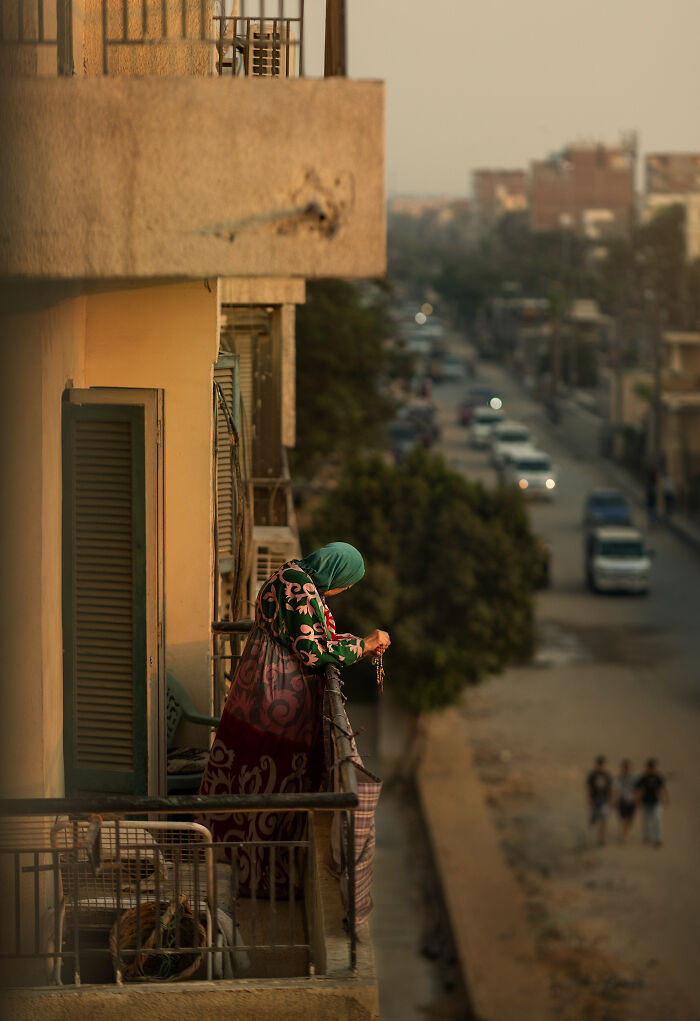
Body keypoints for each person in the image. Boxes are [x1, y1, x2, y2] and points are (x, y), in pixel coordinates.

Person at [197, 542, 390, 902]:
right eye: (345, 584)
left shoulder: (288, 574)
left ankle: (225, 858)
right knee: (274, 778)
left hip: (255, 688)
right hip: (279, 697)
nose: (342, 592)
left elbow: (309, 637)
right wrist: (363, 645)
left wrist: (353, 644)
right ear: (336, 573)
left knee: (245, 769)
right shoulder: (300, 589)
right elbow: (312, 652)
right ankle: (259, 876)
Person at [635, 758, 669, 847]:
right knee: (646, 820)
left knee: (657, 820)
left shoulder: (658, 777)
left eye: (653, 767)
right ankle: (647, 836)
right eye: (650, 767)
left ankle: (658, 838)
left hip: (656, 802)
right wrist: (637, 800)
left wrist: (666, 799)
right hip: (646, 802)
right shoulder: (644, 777)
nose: (652, 768)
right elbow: (639, 789)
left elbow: (663, 788)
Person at [586, 755, 613, 846]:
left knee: (603, 819)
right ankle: (590, 837)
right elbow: (589, 788)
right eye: (599, 764)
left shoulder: (607, 775)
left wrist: (611, 801)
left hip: (604, 800)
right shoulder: (592, 775)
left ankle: (601, 839)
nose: (600, 766)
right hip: (595, 800)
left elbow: (610, 789)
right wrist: (589, 799)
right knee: (593, 820)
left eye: (602, 764)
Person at [614, 759, 637, 844]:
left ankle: (624, 833)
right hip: (622, 801)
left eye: (628, 768)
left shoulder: (635, 778)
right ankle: (625, 838)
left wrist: (637, 801)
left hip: (631, 801)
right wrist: (614, 801)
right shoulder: (619, 778)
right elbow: (615, 790)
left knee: (629, 820)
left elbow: (638, 790)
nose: (627, 770)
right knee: (623, 819)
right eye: (625, 768)